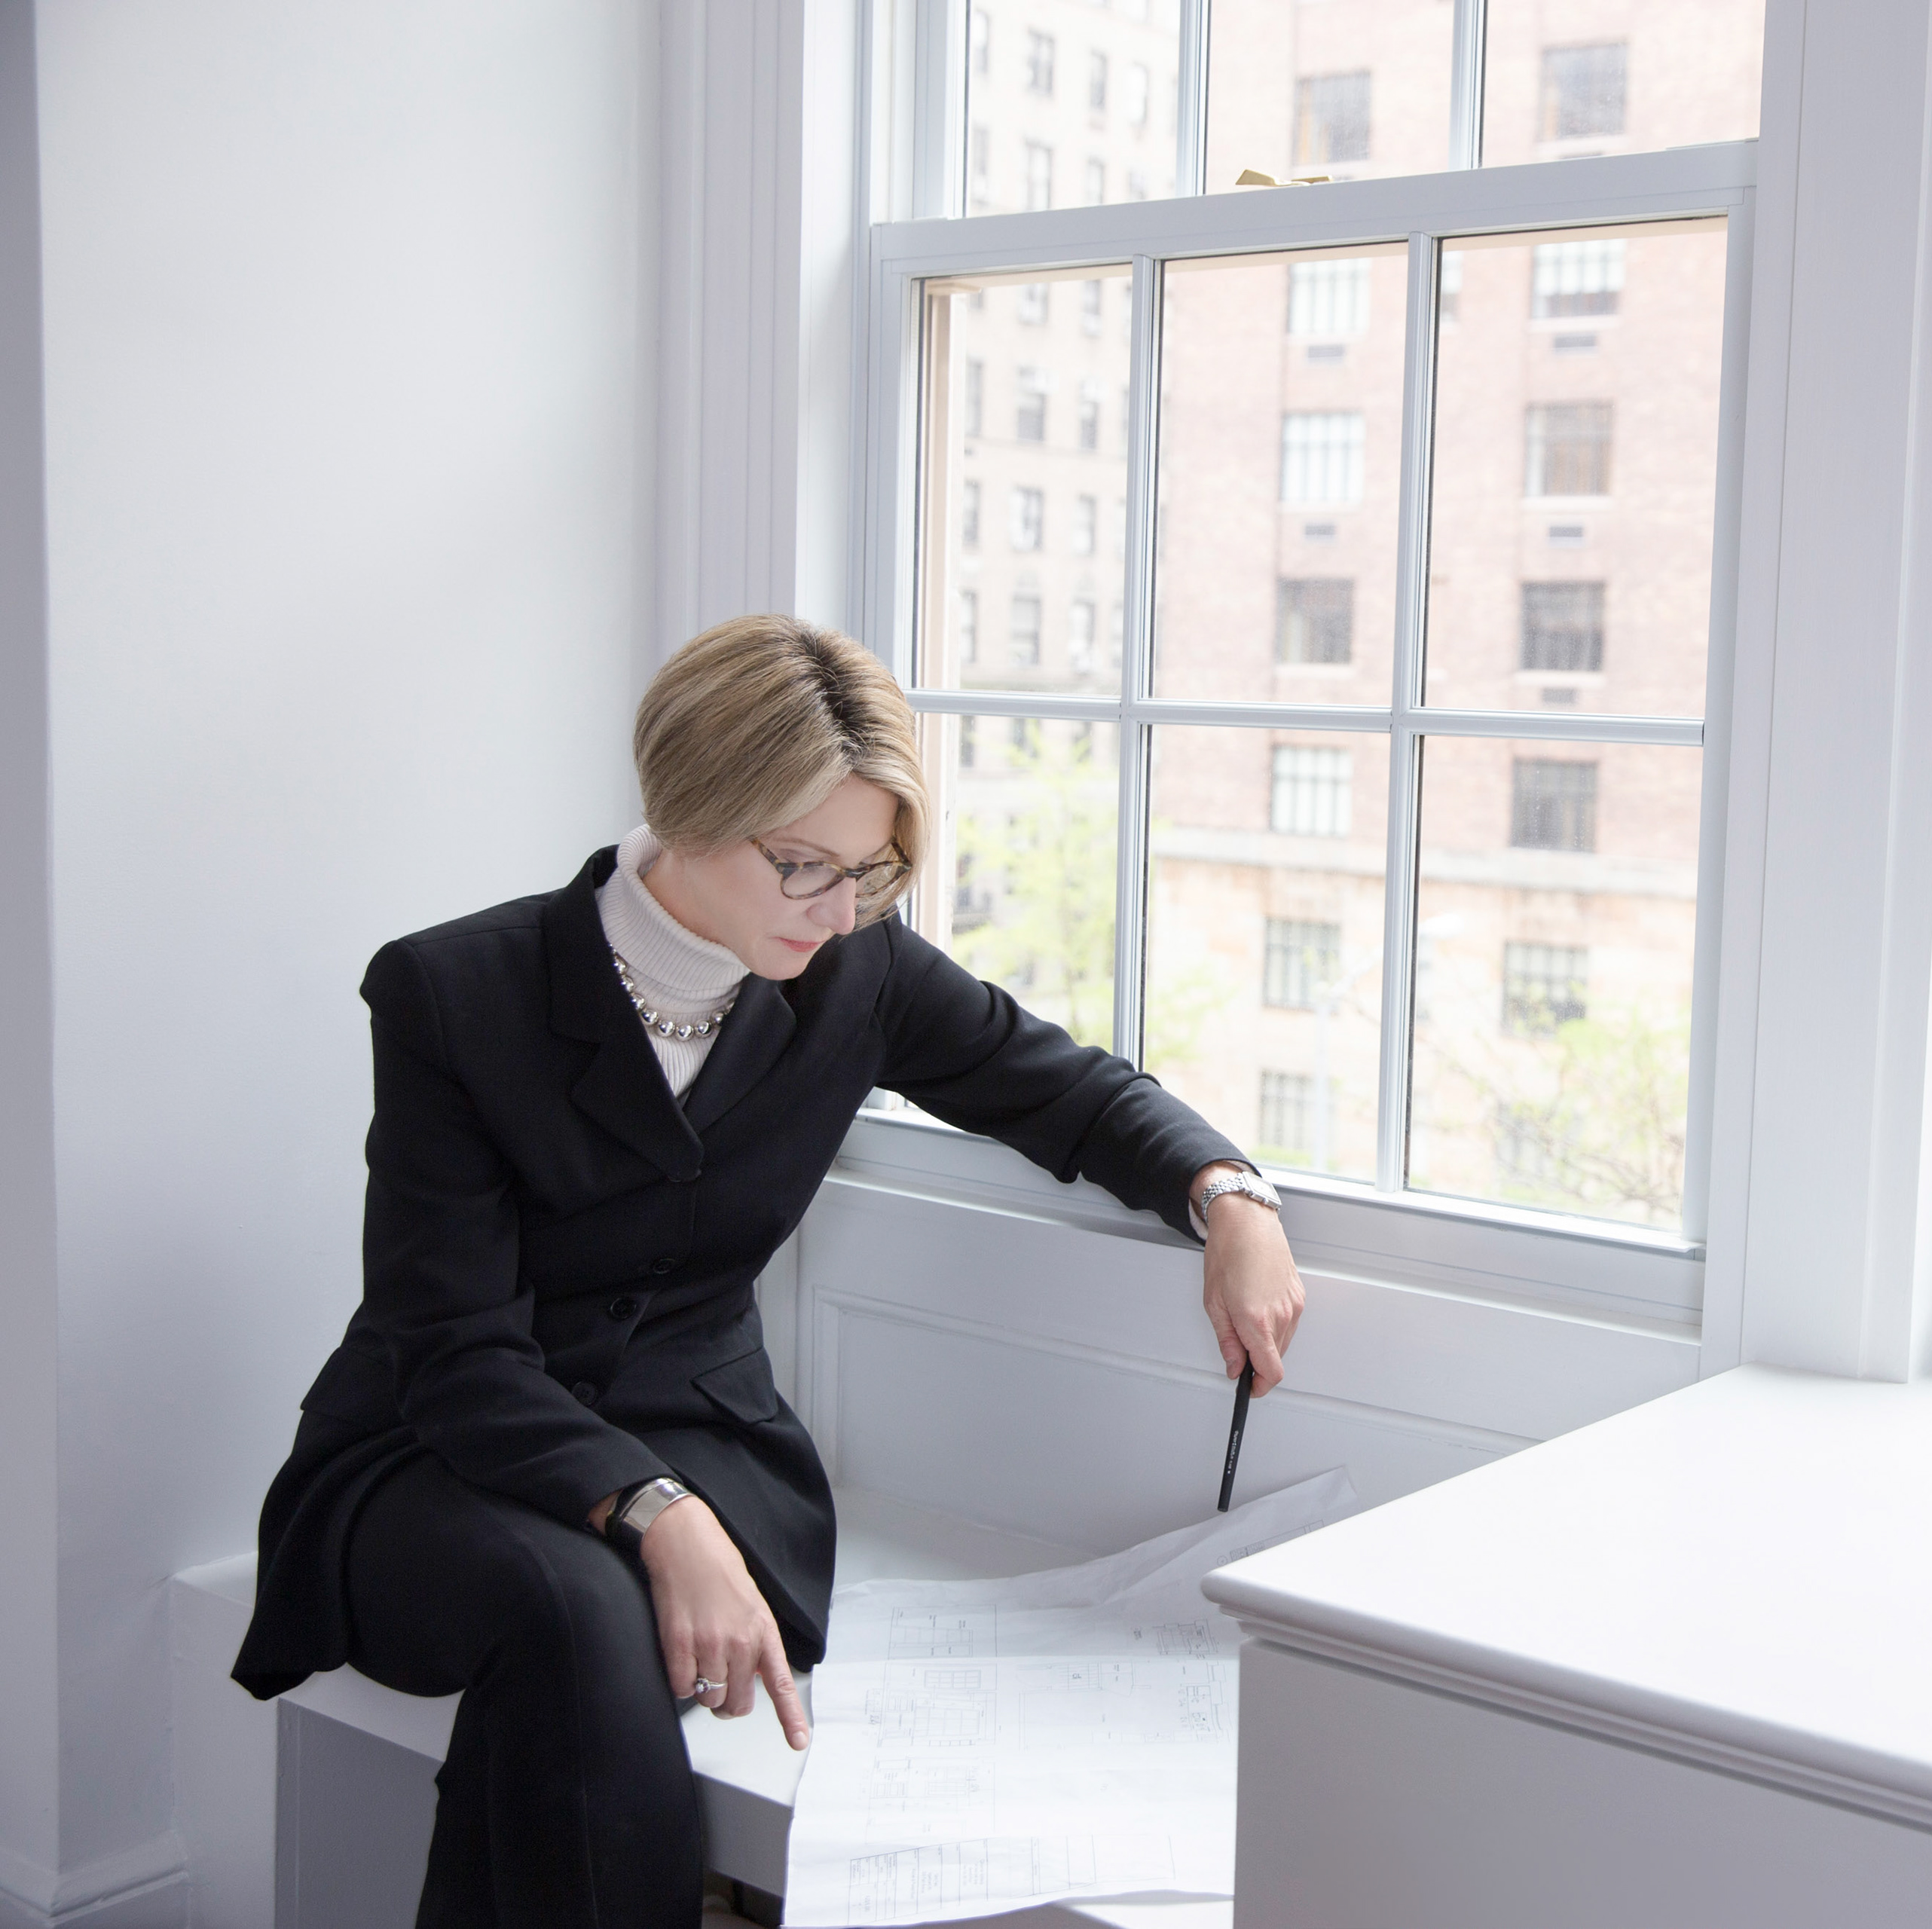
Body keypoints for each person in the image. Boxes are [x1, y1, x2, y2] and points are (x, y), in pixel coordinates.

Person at [231, 615, 1305, 1927]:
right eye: (802, 866)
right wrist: (657, 1514)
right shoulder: (453, 992)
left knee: (578, 1655)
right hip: (436, 1454)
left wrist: (1230, 1198)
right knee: (575, 1613)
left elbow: (1068, 1093)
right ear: (691, 808)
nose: (838, 910)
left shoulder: (859, 970)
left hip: (710, 1440)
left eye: (870, 871)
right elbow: (453, 1351)